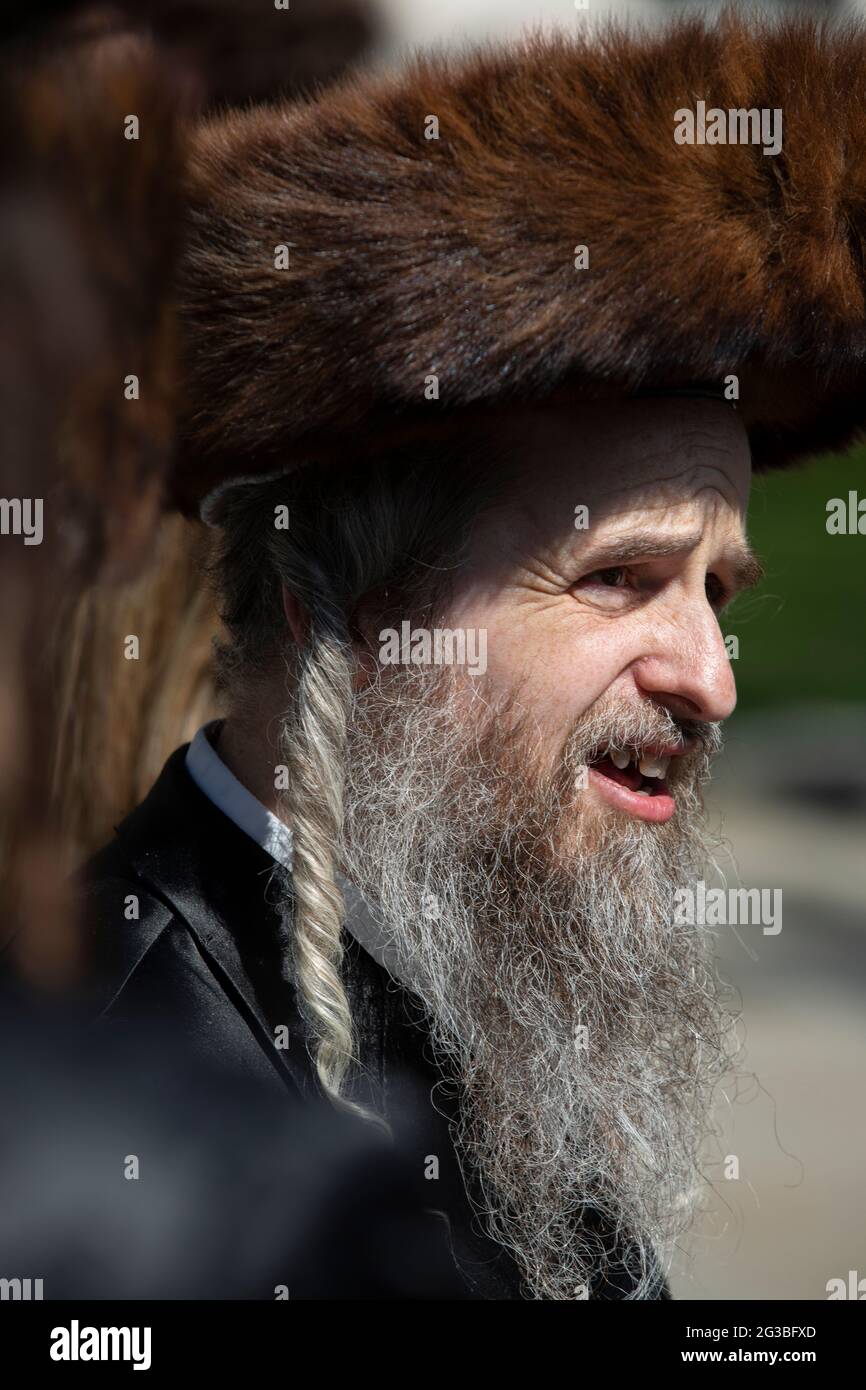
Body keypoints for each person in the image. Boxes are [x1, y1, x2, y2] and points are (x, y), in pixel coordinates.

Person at [79, 12, 866, 1299]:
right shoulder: (130, 1121)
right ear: (326, 605)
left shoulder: (469, 962)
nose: (711, 679)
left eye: (714, 590)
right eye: (618, 577)